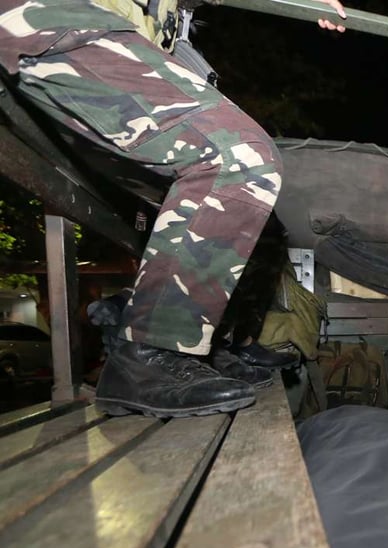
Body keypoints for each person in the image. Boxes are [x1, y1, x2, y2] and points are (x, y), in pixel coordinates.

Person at [0, 0, 347, 417]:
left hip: (87, 32)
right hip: (58, 15)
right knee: (239, 158)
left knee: (261, 224)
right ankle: (149, 351)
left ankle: (206, 344)